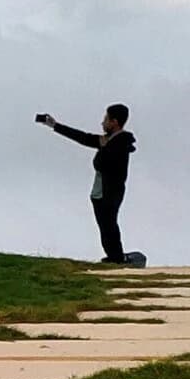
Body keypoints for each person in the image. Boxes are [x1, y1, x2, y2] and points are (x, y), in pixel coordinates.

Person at [35, 103, 140, 264]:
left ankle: (117, 258)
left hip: (110, 191)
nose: (102, 123)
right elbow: (83, 137)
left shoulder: (118, 143)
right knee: (105, 225)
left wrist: (102, 149)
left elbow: (100, 163)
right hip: (101, 192)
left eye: (106, 119)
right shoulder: (109, 141)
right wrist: (55, 125)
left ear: (115, 122)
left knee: (109, 224)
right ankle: (114, 256)